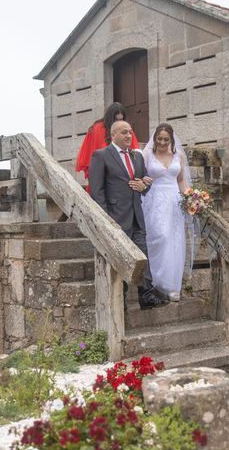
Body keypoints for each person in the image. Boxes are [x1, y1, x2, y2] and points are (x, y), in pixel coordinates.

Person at [89, 120, 168, 310]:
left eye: (130, 132)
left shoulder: (137, 157)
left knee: (143, 255)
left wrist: (144, 186)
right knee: (120, 259)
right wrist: (105, 220)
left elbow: (145, 182)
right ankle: (120, 302)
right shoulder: (101, 156)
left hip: (137, 216)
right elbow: (97, 191)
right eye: (124, 132)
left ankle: (146, 296)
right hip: (115, 218)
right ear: (114, 134)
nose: (128, 136)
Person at [142, 123, 192, 302]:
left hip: (174, 202)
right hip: (154, 200)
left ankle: (171, 286)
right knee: (159, 238)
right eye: (159, 139)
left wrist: (191, 197)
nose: (162, 142)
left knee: (175, 241)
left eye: (166, 139)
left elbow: (180, 180)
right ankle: (156, 282)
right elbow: (140, 176)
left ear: (171, 140)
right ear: (155, 138)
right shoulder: (147, 154)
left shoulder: (178, 156)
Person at [75, 102, 140, 192]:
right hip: (103, 173)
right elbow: (93, 153)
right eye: (116, 120)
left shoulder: (125, 129)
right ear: (110, 118)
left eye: (121, 119)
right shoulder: (97, 128)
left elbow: (134, 151)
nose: (118, 122)